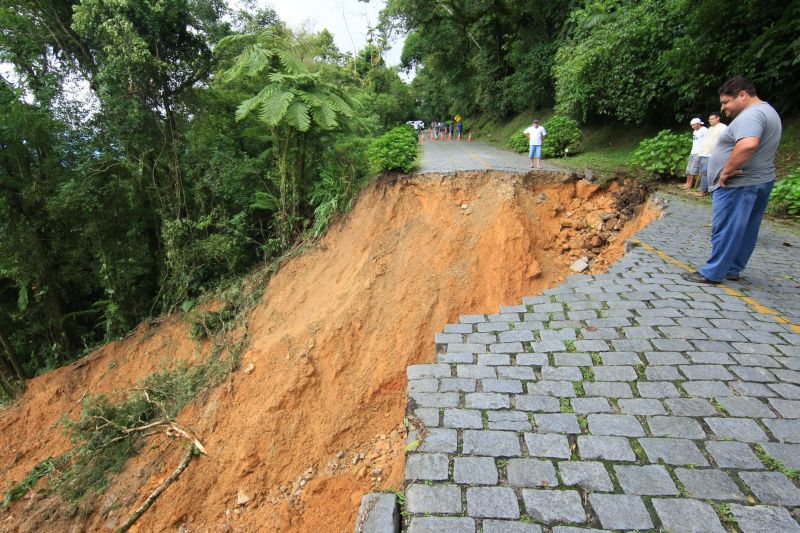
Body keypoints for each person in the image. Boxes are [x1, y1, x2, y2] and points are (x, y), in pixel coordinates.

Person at [682, 75, 782, 284]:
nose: (724, 108)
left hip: (739, 184)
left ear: (743, 95)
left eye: (726, 102)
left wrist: (726, 171)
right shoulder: (768, 112)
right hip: (760, 180)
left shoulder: (751, 116)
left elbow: (748, 144)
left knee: (727, 227)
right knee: (746, 228)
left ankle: (712, 272)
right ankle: (732, 268)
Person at [695, 112, 728, 196]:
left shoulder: (723, 127)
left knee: (707, 172)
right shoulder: (709, 129)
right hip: (704, 153)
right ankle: (704, 189)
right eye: (709, 119)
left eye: (712, 119)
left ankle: (704, 191)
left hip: (714, 154)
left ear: (718, 118)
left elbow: (725, 141)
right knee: (703, 172)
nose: (710, 120)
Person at [679, 118, 707, 190]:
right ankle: (687, 183)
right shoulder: (694, 131)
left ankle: (689, 185)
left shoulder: (704, 130)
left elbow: (707, 141)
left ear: (698, 123)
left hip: (699, 152)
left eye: (694, 125)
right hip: (693, 152)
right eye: (692, 125)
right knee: (688, 169)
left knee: (693, 169)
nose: (693, 127)